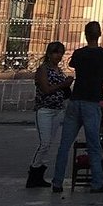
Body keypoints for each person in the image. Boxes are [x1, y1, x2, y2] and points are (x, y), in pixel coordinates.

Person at [50, 21, 103, 194]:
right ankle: (97, 183)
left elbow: (72, 65)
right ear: (99, 34)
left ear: (85, 35)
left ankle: (57, 182)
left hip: (75, 100)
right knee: (94, 144)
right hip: (92, 102)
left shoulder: (79, 54)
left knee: (64, 144)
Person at [26, 41, 71, 189]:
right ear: (49, 53)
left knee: (49, 143)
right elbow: (46, 89)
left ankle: (40, 174)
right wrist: (63, 85)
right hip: (44, 109)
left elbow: (61, 91)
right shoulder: (43, 70)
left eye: (60, 53)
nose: (58, 56)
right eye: (56, 53)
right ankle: (34, 171)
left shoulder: (59, 71)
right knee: (44, 143)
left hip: (57, 109)